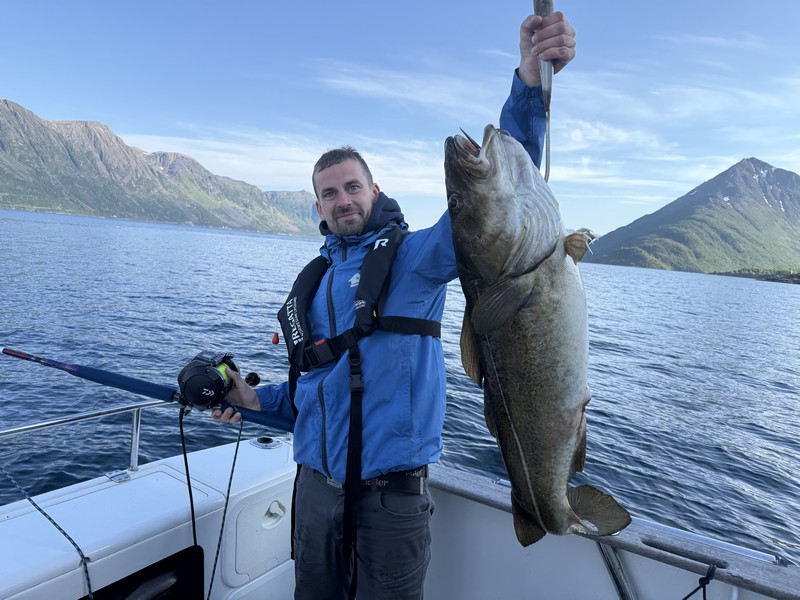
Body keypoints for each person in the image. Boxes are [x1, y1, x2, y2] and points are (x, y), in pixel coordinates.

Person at [212, 11, 576, 600]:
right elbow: (312, 395)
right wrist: (250, 401)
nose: (342, 199)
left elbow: (499, 207)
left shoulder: (417, 256)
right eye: (328, 193)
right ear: (318, 207)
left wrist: (529, 86)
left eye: (352, 186)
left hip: (392, 499)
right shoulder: (314, 282)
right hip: (313, 491)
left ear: (374, 191)